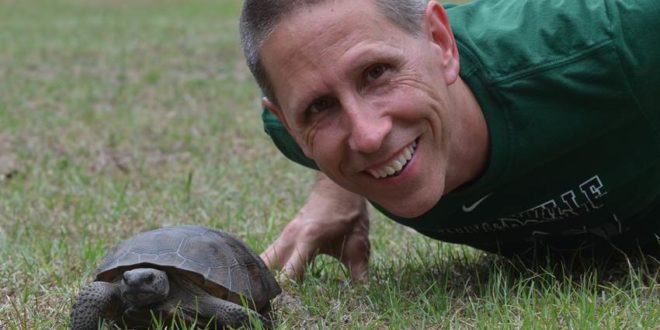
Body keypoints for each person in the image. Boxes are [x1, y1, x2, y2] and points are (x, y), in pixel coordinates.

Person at [239, 0, 660, 281]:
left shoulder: (616, 37)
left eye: (376, 73)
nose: (368, 136)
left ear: (441, 42)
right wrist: (335, 193)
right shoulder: (292, 130)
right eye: (321, 107)